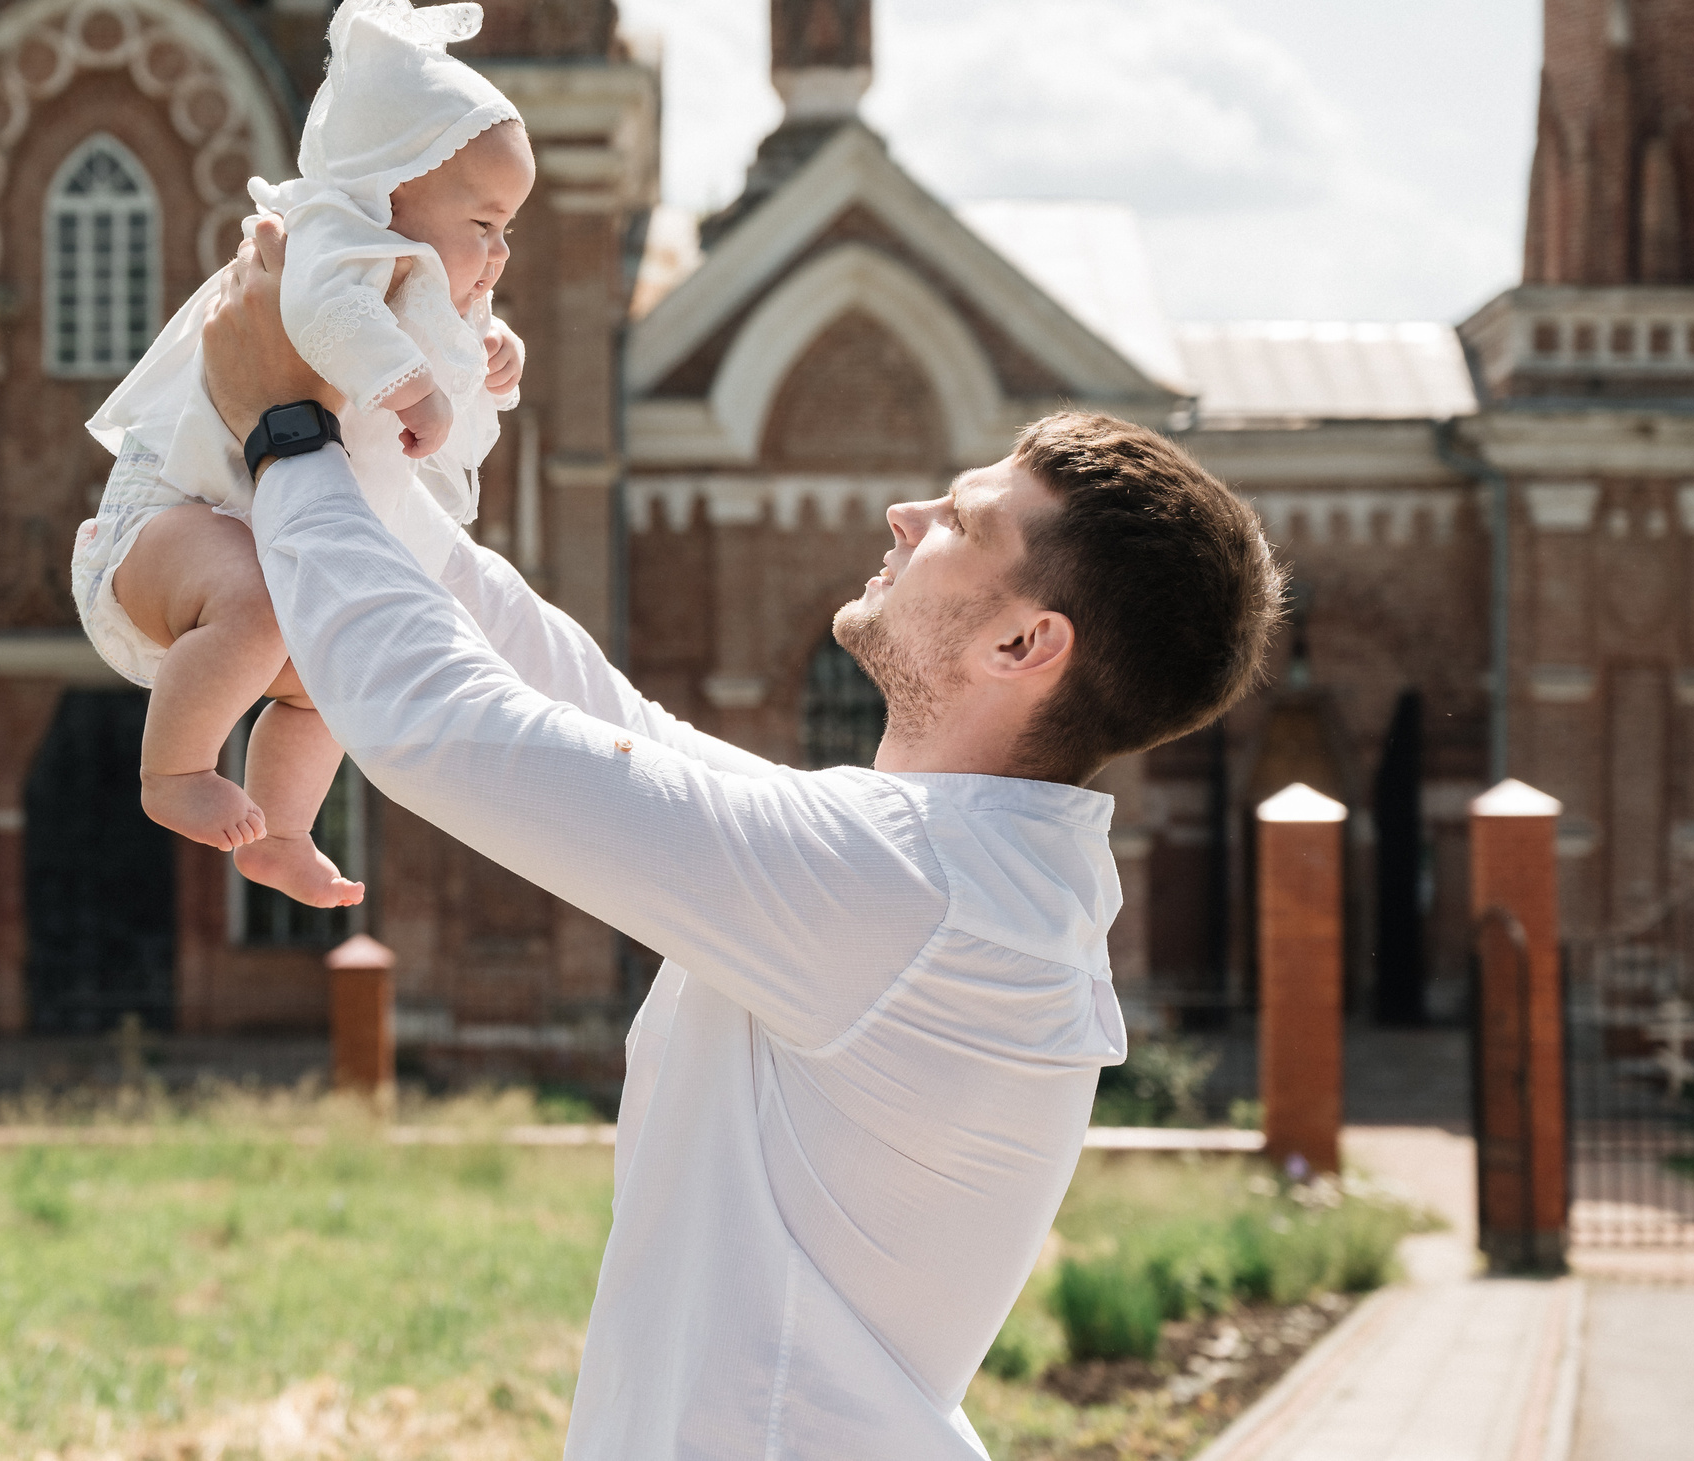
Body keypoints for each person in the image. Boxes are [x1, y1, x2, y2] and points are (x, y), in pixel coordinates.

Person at [198, 219, 1285, 1459]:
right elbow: (602, 719)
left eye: (961, 523)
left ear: (1024, 645)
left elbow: (447, 729)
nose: (904, 512)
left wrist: (281, 438)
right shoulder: (952, 873)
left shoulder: (909, 887)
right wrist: (360, 451)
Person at [73, 0, 532, 908]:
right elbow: (328, 318)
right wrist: (410, 387)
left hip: (254, 573)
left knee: (331, 666)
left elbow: (447, 352)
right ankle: (172, 772)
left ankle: (282, 833)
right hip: (169, 528)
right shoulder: (332, 238)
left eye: (507, 232)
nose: (497, 255)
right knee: (256, 603)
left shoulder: (425, 284)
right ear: (388, 188)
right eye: (480, 226)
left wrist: (491, 358)